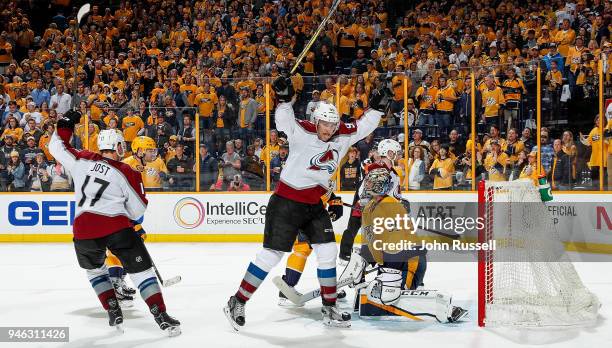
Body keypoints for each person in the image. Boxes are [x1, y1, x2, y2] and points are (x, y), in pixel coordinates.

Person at [224, 74, 383, 330]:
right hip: (286, 201)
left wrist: (377, 109)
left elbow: (364, 126)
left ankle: (330, 307)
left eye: (332, 124)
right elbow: (283, 121)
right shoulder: (302, 131)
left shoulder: (342, 136)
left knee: (328, 251)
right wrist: (285, 100)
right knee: (270, 255)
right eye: (324, 124)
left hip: (313, 205)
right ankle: (237, 301)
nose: (329, 129)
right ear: (315, 121)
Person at [48, 110, 180, 336]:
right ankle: (161, 315)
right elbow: (138, 208)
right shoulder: (126, 171)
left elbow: (56, 146)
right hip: (116, 227)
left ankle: (113, 310)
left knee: (96, 271)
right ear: (119, 147)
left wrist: (66, 123)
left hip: (83, 230)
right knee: (142, 273)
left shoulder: (81, 159)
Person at [352, 166, 468, 323]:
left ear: (379, 185)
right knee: (381, 294)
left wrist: (384, 265)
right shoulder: (370, 208)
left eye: (371, 183)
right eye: (367, 182)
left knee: (396, 296)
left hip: (409, 262)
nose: (367, 186)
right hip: (391, 262)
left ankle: (445, 309)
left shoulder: (389, 204)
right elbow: (371, 242)